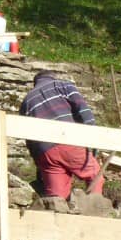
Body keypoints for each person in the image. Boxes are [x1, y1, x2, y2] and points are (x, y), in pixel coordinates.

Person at [19, 70, 104, 198]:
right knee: (95, 175)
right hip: (67, 140)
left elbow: (28, 137)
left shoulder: (27, 100)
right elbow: (84, 111)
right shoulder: (62, 85)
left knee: (57, 195)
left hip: (44, 151)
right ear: (53, 77)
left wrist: (39, 162)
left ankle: (57, 214)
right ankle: (96, 209)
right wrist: (93, 142)